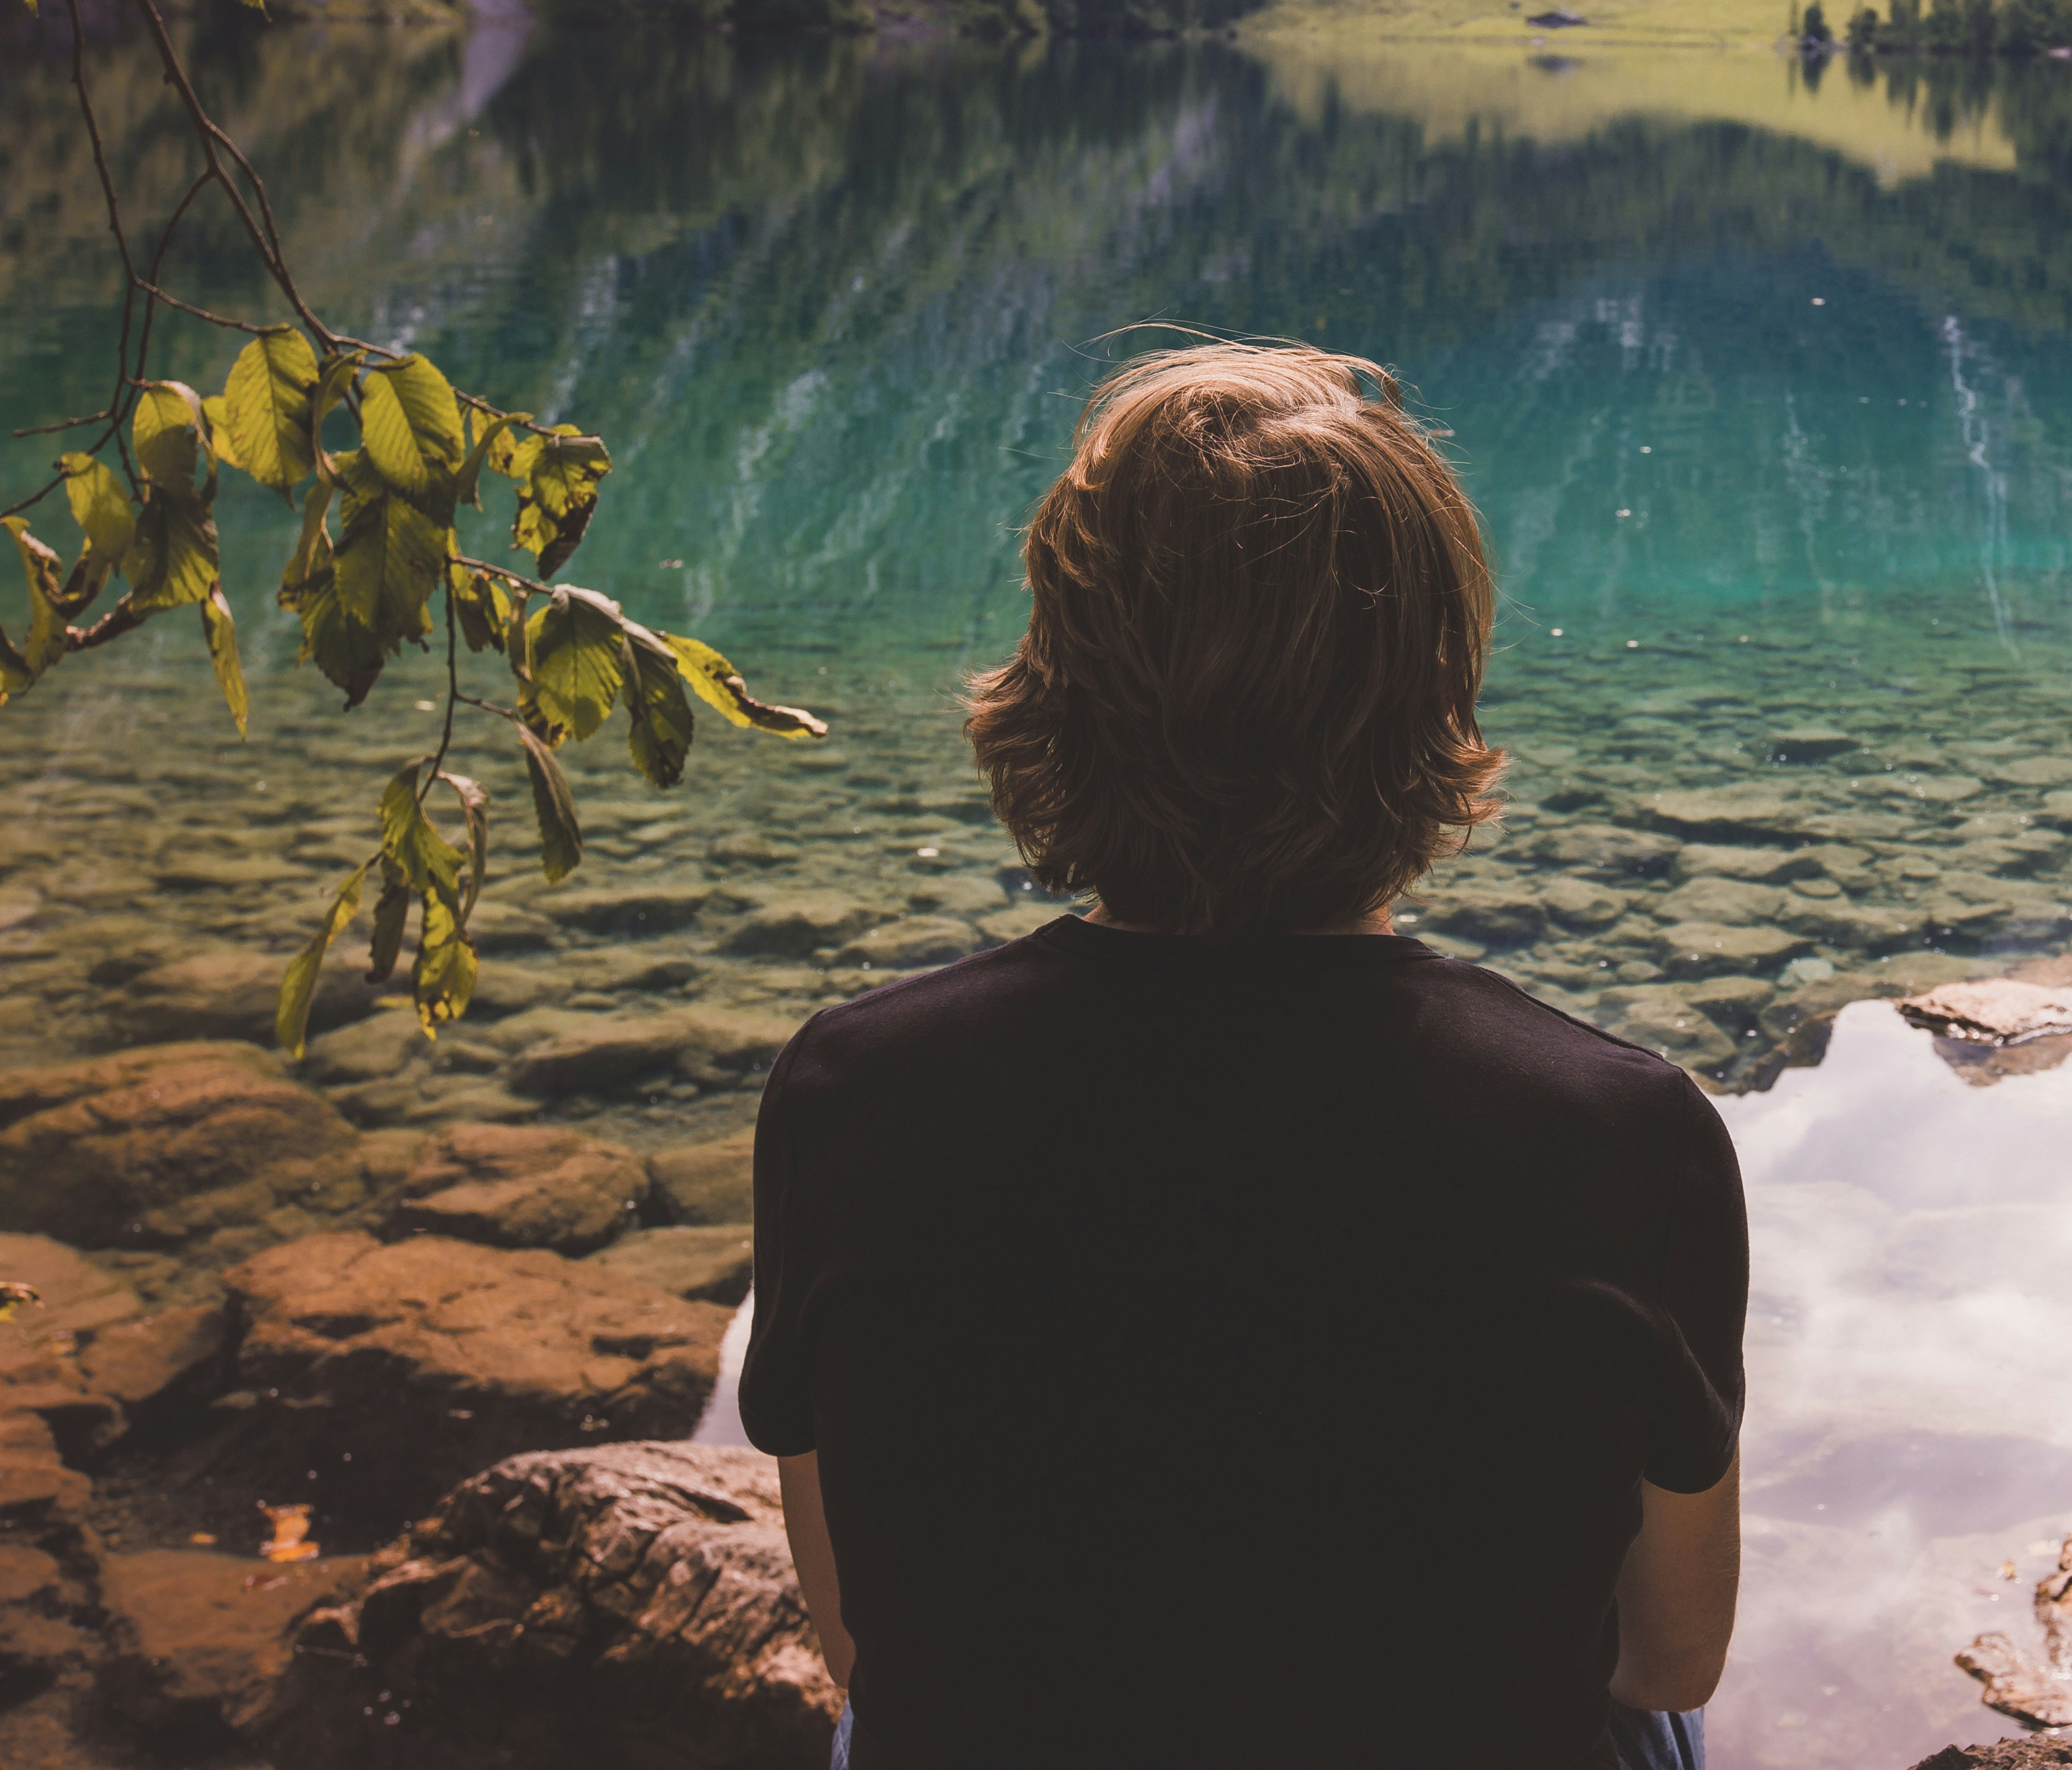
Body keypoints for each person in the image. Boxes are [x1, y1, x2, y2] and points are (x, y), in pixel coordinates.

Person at [741, 343, 1749, 1768]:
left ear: (1061, 681)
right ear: (1435, 691)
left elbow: (861, 1641)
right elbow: (1669, 1657)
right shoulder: (1617, 1132)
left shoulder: (855, 1092)